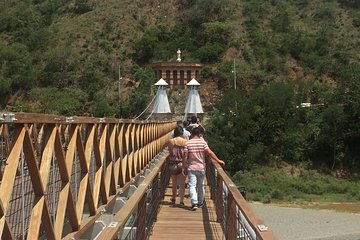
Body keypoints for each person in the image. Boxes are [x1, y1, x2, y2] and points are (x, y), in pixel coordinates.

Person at [182, 126, 224, 210]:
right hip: (201, 167)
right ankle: (200, 202)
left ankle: (194, 203)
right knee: (201, 185)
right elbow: (210, 153)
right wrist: (218, 160)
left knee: (192, 185)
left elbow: (185, 157)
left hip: (191, 167)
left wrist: (184, 167)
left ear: (192, 134)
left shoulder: (188, 143)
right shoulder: (203, 143)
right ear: (199, 134)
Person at [167, 126, 188, 206]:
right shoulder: (186, 141)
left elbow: (170, 152)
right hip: (182, 163)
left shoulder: (171, 141)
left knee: (174, 182)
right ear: (182, 133)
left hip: (173, 163)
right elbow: (186, 154)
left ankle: (174, 198)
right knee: (182, 183)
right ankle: (181, 201)